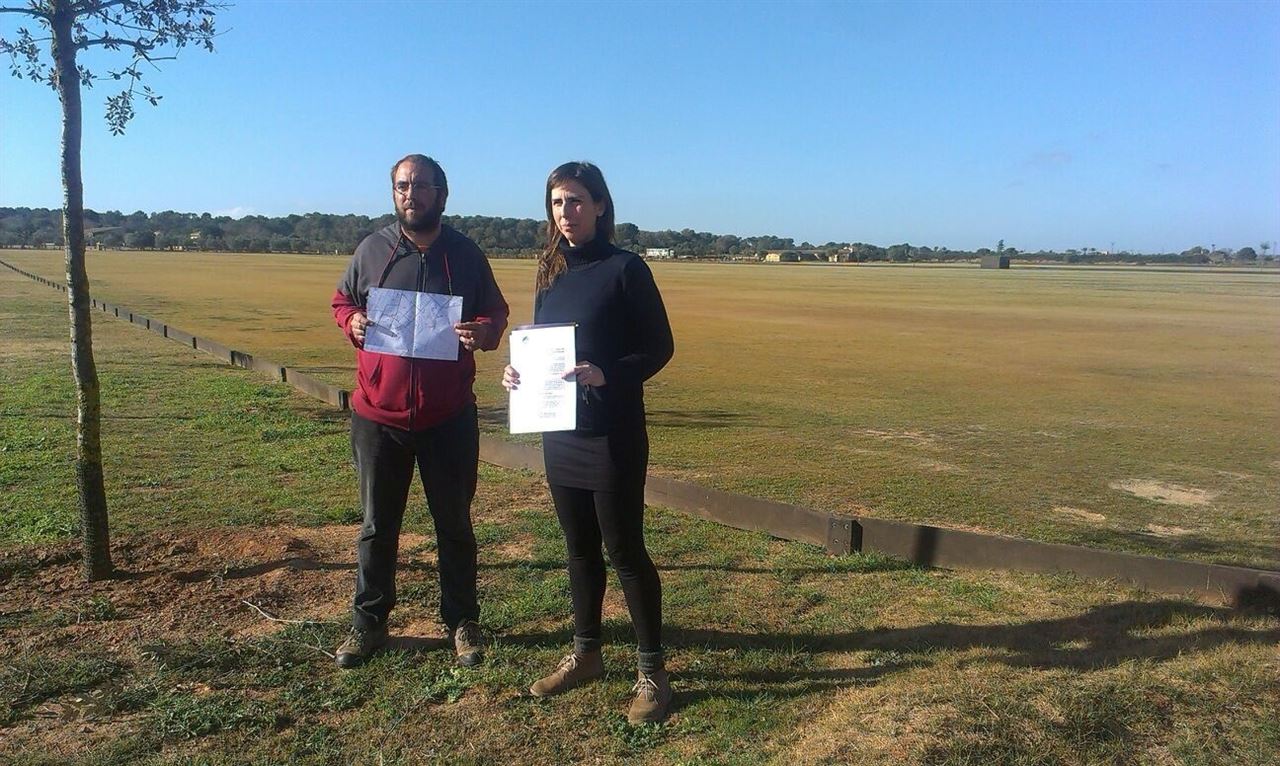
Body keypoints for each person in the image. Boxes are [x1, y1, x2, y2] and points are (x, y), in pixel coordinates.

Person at [502, 161, 675, 724]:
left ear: (600, 205)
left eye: (576, 202)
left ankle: (652, 672)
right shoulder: (549, 271)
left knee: (623, 550)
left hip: (612, 432)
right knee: (578, 550)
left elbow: (658, 348)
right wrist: (517, 373)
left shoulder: (627, 269)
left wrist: (608, 374)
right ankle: (586, 654)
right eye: (556, 203)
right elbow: (538, 343)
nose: (565, 214)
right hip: (560, 430)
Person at [331, 153, 509, 669]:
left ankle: (461, 622)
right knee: (375, 527)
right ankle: (368, 623)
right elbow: (342, 300)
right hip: (377, 417)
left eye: (421, 186)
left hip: (448, 417)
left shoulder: (466, 255)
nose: (411, 195)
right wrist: (354, 323)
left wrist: (486, 331)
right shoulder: (372, 249)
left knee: (454, 525)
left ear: (442, 194)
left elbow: (494, 312)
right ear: (394, 194)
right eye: (402, 187)